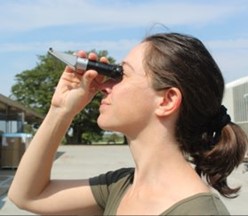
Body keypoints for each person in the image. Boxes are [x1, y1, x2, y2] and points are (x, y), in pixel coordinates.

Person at [8, 32, 248, 215]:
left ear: (167, 100)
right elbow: (27, 196)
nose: (103, 85)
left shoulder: (199, 212)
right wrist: (60, 110)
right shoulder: (122, 185)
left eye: (120, 75)